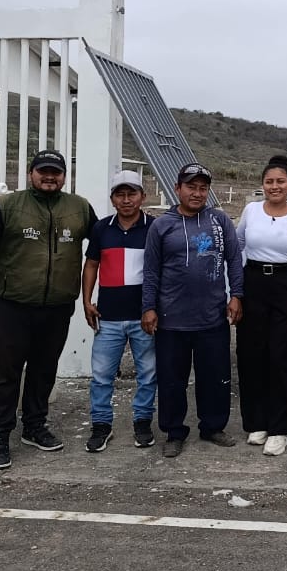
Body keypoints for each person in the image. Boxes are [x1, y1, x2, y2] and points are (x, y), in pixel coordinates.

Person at [0, 149, 98, 470]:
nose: (49, 177)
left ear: (64, 176)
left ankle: (34, 426)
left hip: (57, 306)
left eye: (56, 172)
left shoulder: (79, 208)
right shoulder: (7, 205)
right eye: (43, 171)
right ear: (30, 174)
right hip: (12, 304)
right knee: (5, 372)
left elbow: (101, 244)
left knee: (44, 369)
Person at [142, 162, 244, 458]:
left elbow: (234, 260)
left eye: (203, 188)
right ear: (177, 189)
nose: (197, 193)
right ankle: (174, 432)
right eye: (191, 187)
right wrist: (148, 307)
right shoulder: (161, 225)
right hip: (171, 319)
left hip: (212, 317)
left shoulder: (219, 220)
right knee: (172, 380)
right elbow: (151, 271)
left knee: (215, 377)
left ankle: (213, 427)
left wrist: (237, 295)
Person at [235, 155, 287, 457]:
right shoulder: (251, 211)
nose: (275, 186)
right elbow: (238, 247)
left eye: (280, 181)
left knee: (283, 357)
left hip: (286, 286)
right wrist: (236, 290)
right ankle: (257, 422)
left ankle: (280, 428)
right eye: (269, 181)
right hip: (253, 284)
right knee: (251, 354)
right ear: (262, 184)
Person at [81, 170, 157, 453]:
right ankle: (101, 424)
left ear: (142, 197)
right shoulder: (101, 228)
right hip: (108, 317)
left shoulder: (155, 228)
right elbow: (91, 265)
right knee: (101, 376)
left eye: (131, 194)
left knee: (148, 374)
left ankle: (143, 422)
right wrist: (87, 301)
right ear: (112, 199)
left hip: (143, 316)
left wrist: (154, 308)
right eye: (120, 195)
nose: (126, 200)